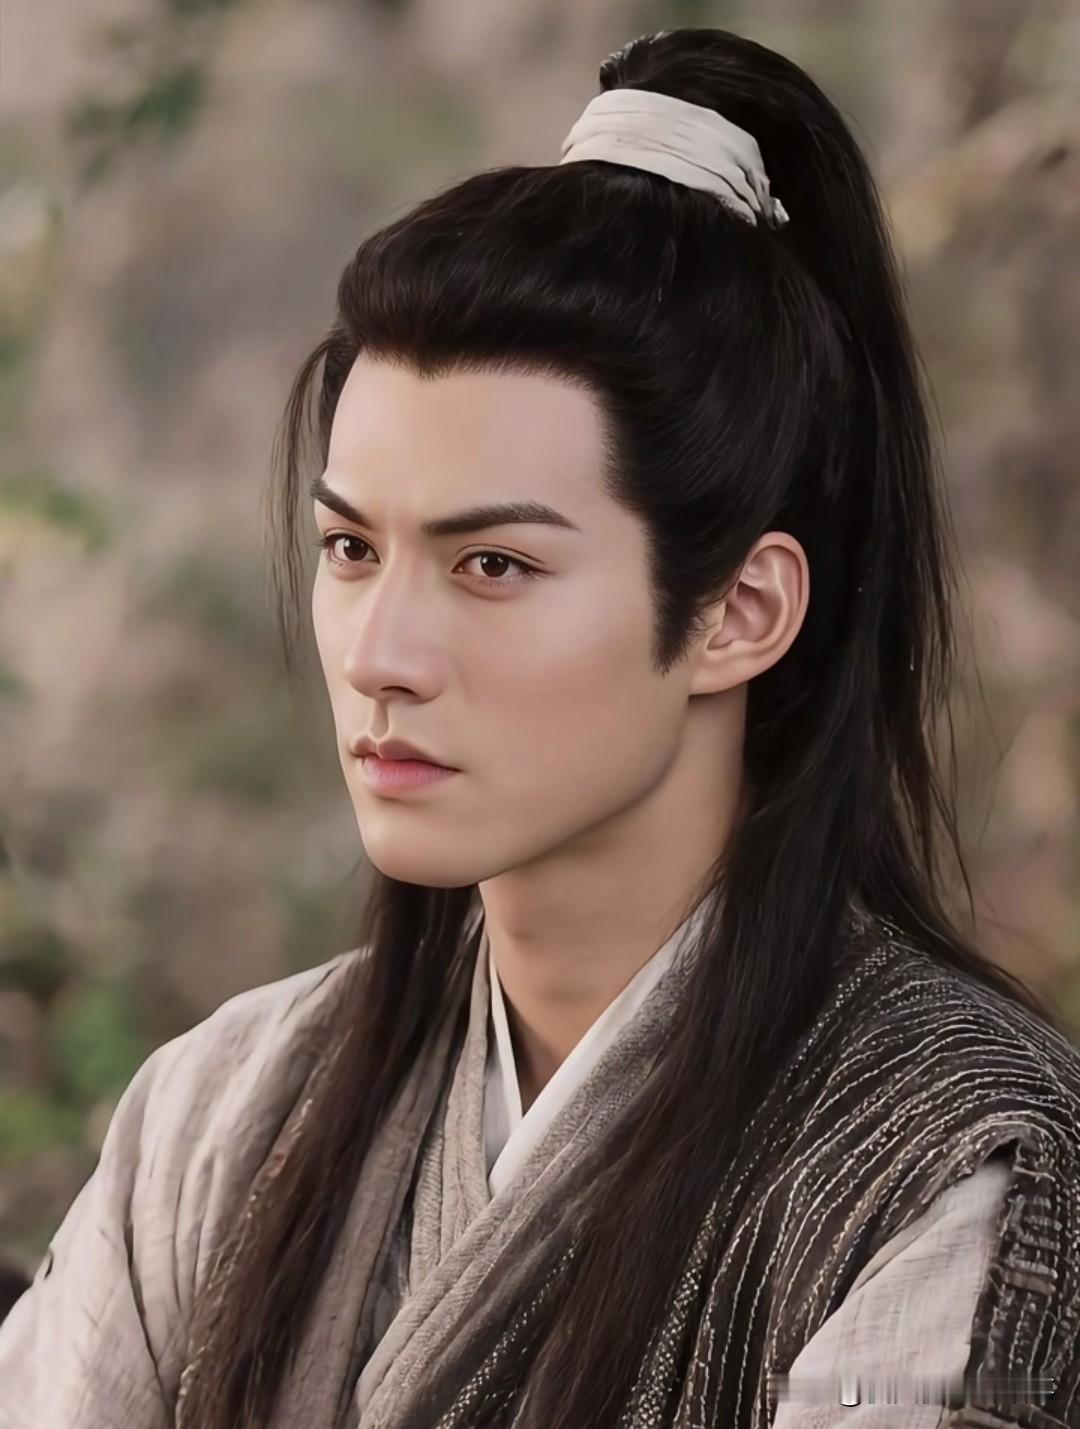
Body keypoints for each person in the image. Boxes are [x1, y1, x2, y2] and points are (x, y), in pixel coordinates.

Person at [1, 25, 1078, 1429]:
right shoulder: (222, 1111)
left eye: (493, 565)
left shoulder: (954, 1163)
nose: (380, 656)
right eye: (350, 550)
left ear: (739, 611)